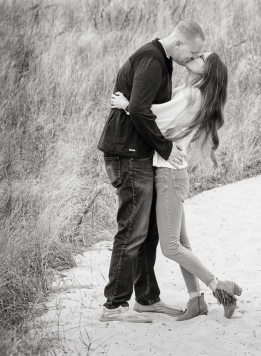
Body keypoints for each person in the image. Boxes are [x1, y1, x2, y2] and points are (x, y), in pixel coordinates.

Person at [110, 51, 243, 321]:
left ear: (207, 70)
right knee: (182, 242)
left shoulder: (194, 95)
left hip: (169, 175)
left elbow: (157, 117)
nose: (195, 56)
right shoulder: (193, 91)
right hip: (172, 173)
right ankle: (196, 301)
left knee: (170, 246)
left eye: (201, 57)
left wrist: (127, 105)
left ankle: (219, 286)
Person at [97, 20, 205, 323]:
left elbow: (146, 108)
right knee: (132, 230)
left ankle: (146, 300)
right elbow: (141, 110)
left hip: (140, 153)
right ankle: (114, 306)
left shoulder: (164, 61)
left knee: (148, 233)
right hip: (127, 153)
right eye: (193, 53)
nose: (193, 59)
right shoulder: (152, 60)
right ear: (180, 43)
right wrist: (167, 148)